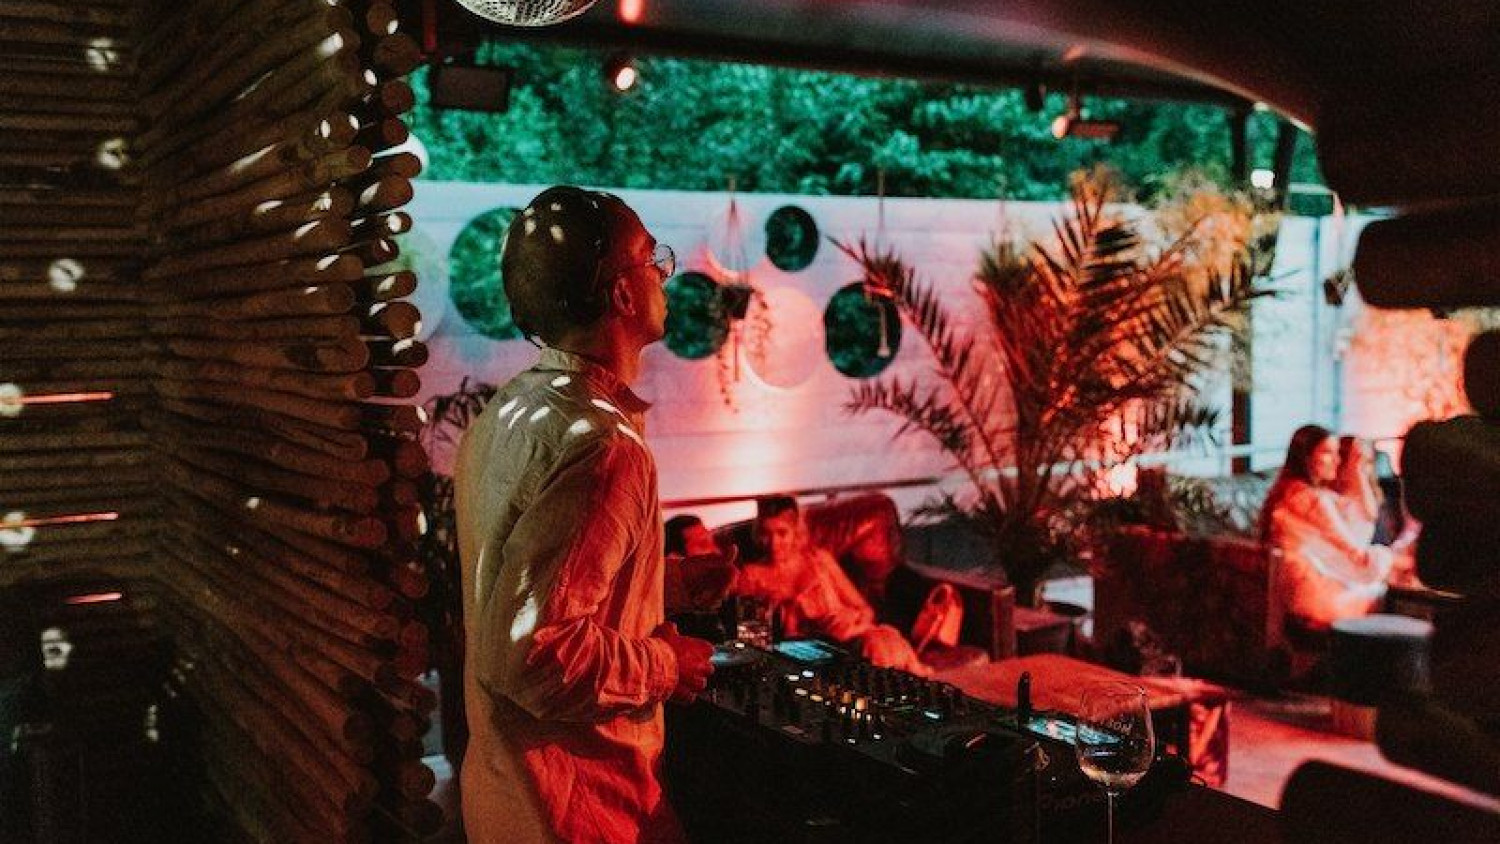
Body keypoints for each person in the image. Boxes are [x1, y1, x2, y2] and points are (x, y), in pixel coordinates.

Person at [454, 186, 726, 844]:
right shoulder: (602, 447)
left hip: (505, 796)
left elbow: (528, 585)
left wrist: (661, 583)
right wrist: (667, 665)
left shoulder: (511, 412)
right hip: (579, 810)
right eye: (651, 258)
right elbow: (532, 655)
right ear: (623, 295)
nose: (664, 273)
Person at [735, 495, 930, 675]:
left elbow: (865, 610)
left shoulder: (820, 560)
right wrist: (786, 611)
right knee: (877, 646)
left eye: (782, 533)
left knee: (883, 639)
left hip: (851, 635)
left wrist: (850, 621)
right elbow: (753, 640)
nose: (773, 543)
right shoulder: (751, 576)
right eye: (766, 534)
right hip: (809, 650)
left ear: (795, 531)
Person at [1259, 425, 1414, 631]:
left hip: (1298, 591)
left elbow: (1364, 517)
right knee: (1396, 599)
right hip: (1315, 596)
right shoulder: (1312, 501)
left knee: (1387, 585)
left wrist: (1358, 470)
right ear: (1307, 457)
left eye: (1337, 453)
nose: (1337, 460)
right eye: (1328, 453)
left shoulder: (1293, 492)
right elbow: (1359, 560)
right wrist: (1401, 563)